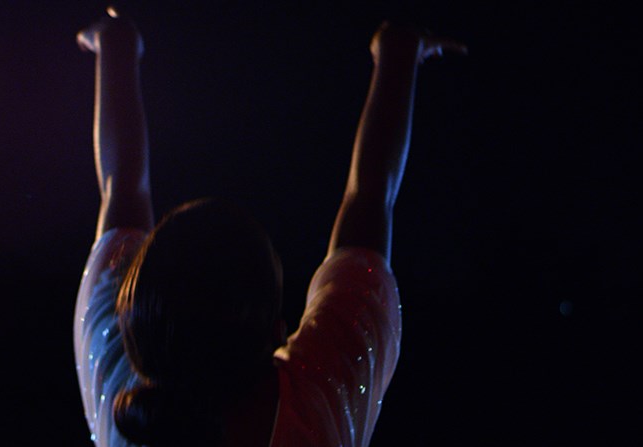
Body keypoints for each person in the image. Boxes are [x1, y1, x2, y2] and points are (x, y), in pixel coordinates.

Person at [73, 8, 465, 447]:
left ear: (134, 328)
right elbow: (370, 201)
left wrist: (115, 44)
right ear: (277, 333)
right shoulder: (318, 406)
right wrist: (399, 53)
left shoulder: (119, 398)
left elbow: (122, 189)